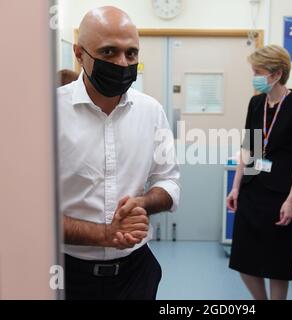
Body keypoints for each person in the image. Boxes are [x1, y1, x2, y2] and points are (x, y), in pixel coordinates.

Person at [59, 7, 180, 300]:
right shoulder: (47, 112)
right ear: (79, 53)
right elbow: (27, 211)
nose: (122, 62)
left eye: (131, 53)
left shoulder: (151, 112)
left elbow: (169, 183)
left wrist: (143, 203)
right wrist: (103, 234)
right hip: (66, 274)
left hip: (135, 274)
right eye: (109, 51)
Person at [226, 45, 292, 300]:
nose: (254, 76)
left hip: (281, 195)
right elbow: (248, 148)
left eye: (258, 71)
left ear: (276, 74)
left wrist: (291, 200)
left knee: (278, 265)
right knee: (244, 260)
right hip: (252, 192)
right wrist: (235, 187)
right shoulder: (256, 103)